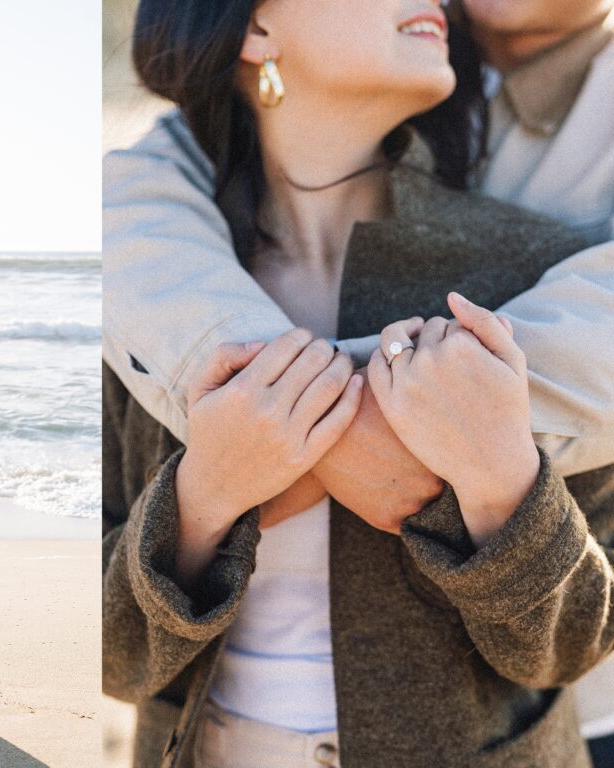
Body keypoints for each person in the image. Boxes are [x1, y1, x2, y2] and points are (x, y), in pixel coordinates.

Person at [102, 1, 614, 766]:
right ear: (255, 28)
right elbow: (113, 661)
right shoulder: (153, 300)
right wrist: (205, 502)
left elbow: (573, 650)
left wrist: (495, 485)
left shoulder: (523, 279)